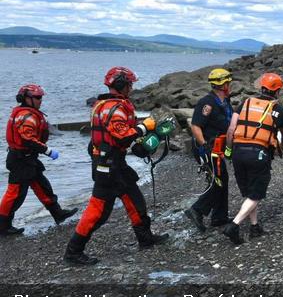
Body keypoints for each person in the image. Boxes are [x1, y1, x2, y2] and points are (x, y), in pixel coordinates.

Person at [64, 67, 168, 265]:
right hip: (108, 166)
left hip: (114, 162)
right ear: (121, 85)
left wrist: (141, 133)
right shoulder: (115, 108)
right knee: (98, 212)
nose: (131, 88)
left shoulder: (103, 105)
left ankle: (145, 238)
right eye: (129, 84)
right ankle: (73, 252)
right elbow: (123, 136)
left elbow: (115, 134)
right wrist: (145, 127)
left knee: (135, 200)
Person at [222, 73, 283, 245]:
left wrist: (228, 150)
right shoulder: (280, 111)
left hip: (238, 152)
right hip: (258, 154)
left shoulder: (245, 103)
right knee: (256, 194)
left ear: (261, 87)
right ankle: (234, 225)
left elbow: (231, 130)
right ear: (277, 91)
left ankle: (254, 226)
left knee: (249, 192)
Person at [1, 84, 77, 236]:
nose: (40, 100)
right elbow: (28, 139)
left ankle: (58, 213)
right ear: (26, 99)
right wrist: (48, 151)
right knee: (15, 194)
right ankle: (3, 226)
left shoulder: (26, 113)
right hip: (20, 160)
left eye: (40, 97)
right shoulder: (26, 116)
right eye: (37, 97)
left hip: (28, 158)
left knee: (42, 186)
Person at [184, 68, 234, 232]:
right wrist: (204, 145)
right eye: (229, 83)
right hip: (207, 148)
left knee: (222, 179)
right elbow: (196, 126)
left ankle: (219, 217)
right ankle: (197, 210)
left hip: (218, 147)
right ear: (224, 85)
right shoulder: (207, 103)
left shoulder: (225, 102)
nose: (230, 86)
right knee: (218, 181)